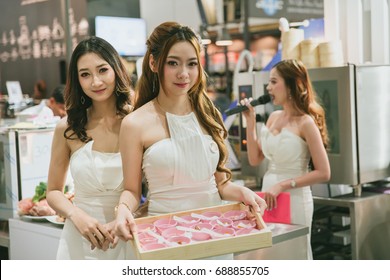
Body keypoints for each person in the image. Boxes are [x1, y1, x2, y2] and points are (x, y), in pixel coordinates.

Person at [113, 22, 267, 258]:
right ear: (154, 63)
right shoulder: (135, 124)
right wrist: (122, 209)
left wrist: (245, 193)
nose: (183, 73)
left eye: (192, 64)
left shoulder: (208, 114)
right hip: (163, 238)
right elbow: (132, 190)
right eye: (173, 63)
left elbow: (222, 185)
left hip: (214, 234)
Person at [46, 36, 133, 259]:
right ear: (77, 80)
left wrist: (123, 217)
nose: (95, 82)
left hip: (127, 234)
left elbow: (153, 190)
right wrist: (75, 215)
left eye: (102, 70)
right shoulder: (67, 128)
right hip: (79, 239)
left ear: (115, 69)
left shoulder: (137, 122)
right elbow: (54, 192)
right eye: (85, 74)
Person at [240, 59, 331, 259]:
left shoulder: (306, 122)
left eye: (273, 82)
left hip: (295, 197)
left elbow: (324, 172)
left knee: (293, 255)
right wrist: (250, 121)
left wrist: (283, 185)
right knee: (271, 254)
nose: (268, 87)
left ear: (291, 85)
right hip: (268, 196)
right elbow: (255, 159)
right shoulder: (273, 118)